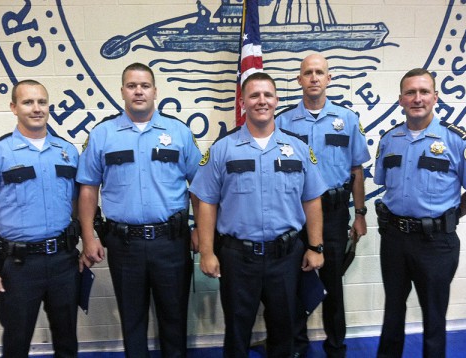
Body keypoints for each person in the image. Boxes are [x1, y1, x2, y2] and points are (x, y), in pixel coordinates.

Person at [190, 72, 328, 357]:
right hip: (238, 257)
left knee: (284, 329)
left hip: (286, 257)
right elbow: (207, 203)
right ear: (242, 102)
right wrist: (206, 252)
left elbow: (312, 200)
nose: (261, 101)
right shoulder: (222, 149)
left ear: (277, 100)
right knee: (237, 331)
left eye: (267, 95)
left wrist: (315, 247)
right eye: (254, 95)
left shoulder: (299, 149)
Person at [76, 62, 201, 357]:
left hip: (171, 242)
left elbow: (201, 187)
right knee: (132, 322)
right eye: (132, 86)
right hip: (124, 244)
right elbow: (88, 190)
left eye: (144, 85)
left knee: (174, 320)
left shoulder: (179, 133)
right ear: (122, 91)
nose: (139, 91)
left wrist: (200, 231)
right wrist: (89, 237)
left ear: (155, 91)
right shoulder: (103, 135)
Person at [374, 68, 466, 357]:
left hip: (436, 243)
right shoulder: (390, 139)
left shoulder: (458, 140)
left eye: (423, 91)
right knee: (392, 310)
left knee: (434, 316)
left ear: (435, 96)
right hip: (394, 239)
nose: (417, 98)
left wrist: (448, 218)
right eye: (410, 92)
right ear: (400, 99)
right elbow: (383, 183)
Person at [275, 53, 371, 357]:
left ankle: (335, 347)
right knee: (293, 284)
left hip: (332, 213)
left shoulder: (348, 120)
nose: (314, 78)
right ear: (299, 79)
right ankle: (298, 346)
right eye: (308, 73)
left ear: (329, 79)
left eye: (320, 72)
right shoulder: (283, 121)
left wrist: (359, 213)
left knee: (332, 284)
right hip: (294, 215)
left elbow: (356, 170)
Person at [0, 80, 80, 357]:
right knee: (16, 342)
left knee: (67, 339)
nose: (36, 109)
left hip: (63, 261)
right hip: (19, 266)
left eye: (42, 102)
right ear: (13, 108)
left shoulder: (67, 151)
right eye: (28, 102)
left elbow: (78, 203)